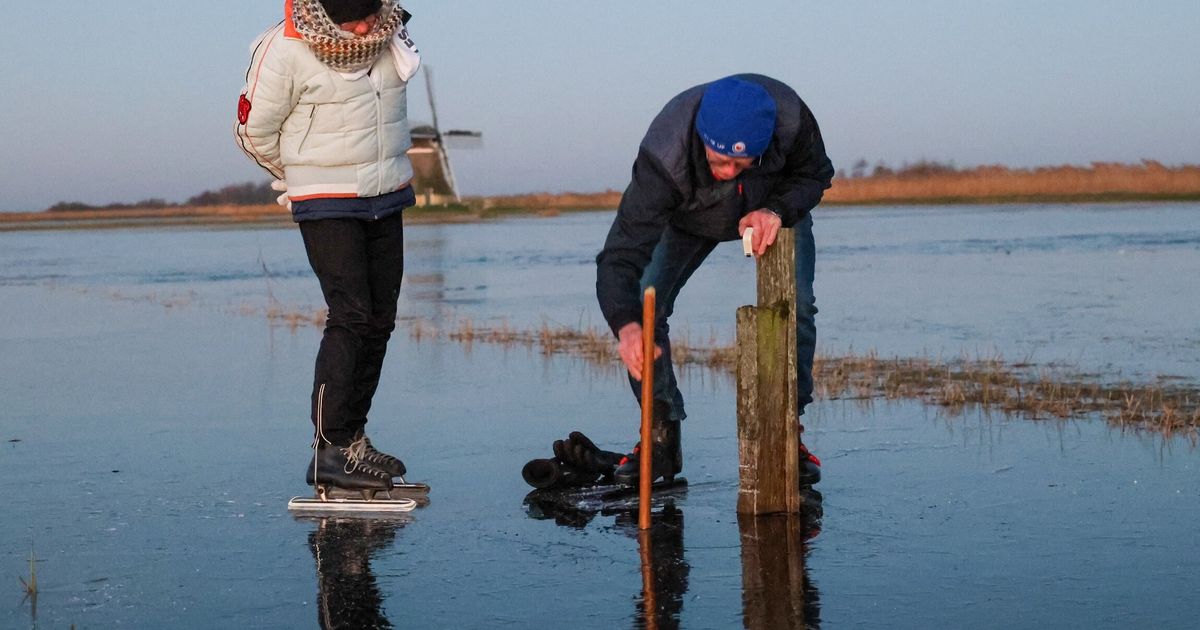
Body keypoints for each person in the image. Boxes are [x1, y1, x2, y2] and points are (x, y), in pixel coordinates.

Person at [595, 74, 834, 486]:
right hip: (687, 216)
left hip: (772, 212)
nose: (726, 172)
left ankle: (786, 431)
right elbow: (619, 256)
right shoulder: (664, 154)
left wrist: (776, 209)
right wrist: (627, 326)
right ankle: (660, 435)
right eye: (718, 160)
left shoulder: (791, 119)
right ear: (701, 137)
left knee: (798, 308)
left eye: (740, 164)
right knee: (645, 303)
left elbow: (816, 174)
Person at [235, 0, 421, 494]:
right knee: (351, 314)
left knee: (381, 318)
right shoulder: (283, 48)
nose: (362, 28)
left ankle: (352, 440)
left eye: (368, 16)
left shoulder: (389, 32)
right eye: (350, 20)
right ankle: (328, 449)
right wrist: (298, 175)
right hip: (326, 200)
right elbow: (253, 132)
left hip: (388, 192)